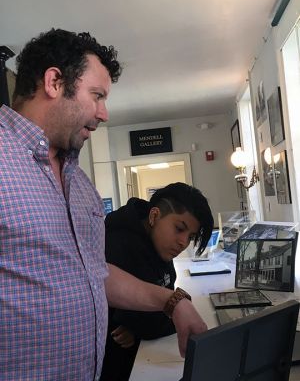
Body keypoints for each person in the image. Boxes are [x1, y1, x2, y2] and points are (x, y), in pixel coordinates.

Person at [0, 28, 208, 381]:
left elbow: (95, 273)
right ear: (54, 82)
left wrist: (173, 303)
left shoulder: (80, 184)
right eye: (96, 95)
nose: (104, 113)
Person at [101, 182, 213, 380]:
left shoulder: (159, 247)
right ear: (154, 216)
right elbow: (144, 321)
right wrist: (149, 322)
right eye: (179, 228)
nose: (183, 243)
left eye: (191, 237)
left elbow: (156, 309)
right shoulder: (119, 244)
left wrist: (147, 321)